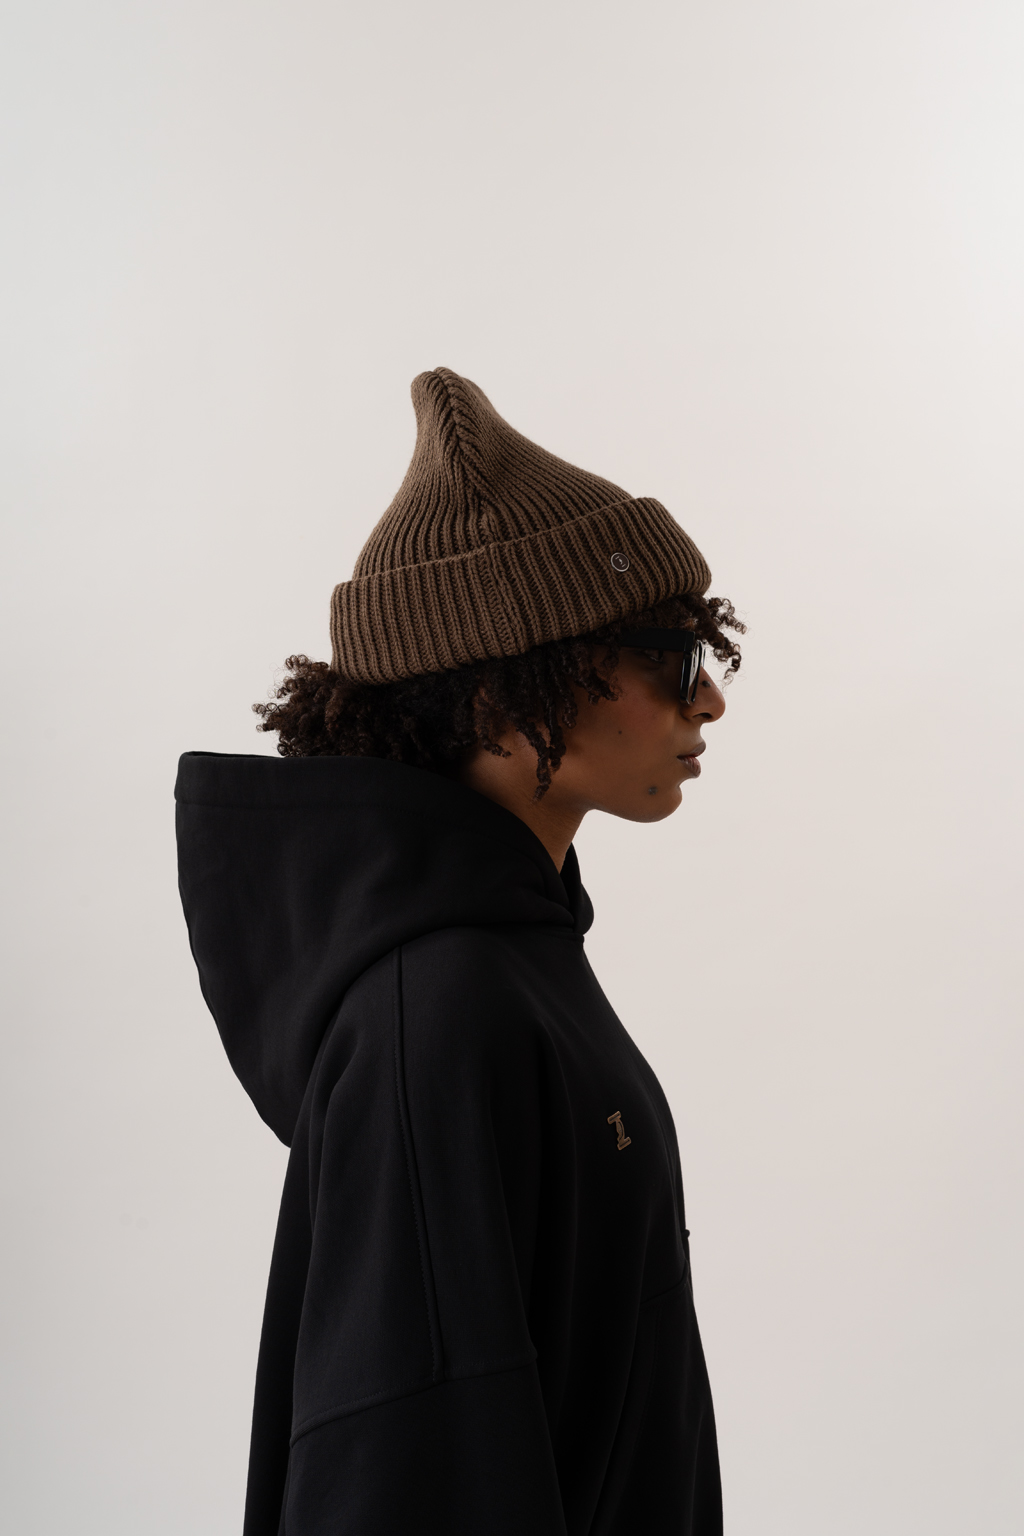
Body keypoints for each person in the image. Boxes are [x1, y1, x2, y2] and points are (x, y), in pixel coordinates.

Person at [175, 367, 744, 1535]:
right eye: (673, 659)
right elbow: (403, 1462)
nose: (709, 703)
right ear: (498, 701)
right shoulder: (438, 1011)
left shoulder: (513, 958)